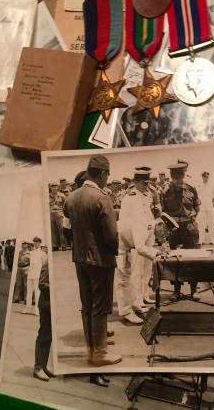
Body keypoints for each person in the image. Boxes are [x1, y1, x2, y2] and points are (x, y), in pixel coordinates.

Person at [63, 155, 121, 367]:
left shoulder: (70, 198)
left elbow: (68, 228)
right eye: (107, 175)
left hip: (79, 259)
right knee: (100, 306)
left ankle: (91, 348)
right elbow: (111, 235)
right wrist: (114, 252)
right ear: (103, 174)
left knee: (87, 305)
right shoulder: (101, 197)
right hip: (100, 261)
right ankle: (100, 353)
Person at [116, 167, 159, 324]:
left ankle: (137, 301)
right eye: (142, 183)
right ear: (135, 182)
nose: (146, 186)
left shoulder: (147, 195)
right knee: (125, 277)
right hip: (126, 241)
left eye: (147, 182)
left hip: (140, 237)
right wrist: (155, 253)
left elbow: (147, 217)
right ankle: (126, 311)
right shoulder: (130, 198)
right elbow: (126, 223)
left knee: (142, 271)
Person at [162, 162, 201, 301]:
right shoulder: (166, 191)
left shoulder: (191, 188)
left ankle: (194, 289)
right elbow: (163, 210)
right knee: (174, 260)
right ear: (171, 176)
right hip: (174, 228)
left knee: (193, 259)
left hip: (189, 227)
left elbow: (197, 205)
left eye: (180, 175)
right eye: (174, 176)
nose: (177, 179)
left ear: (184, 175)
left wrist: (191, 217)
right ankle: (176, 290)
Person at [33, 256, 54, 381]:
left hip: (52, 305)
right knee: (44, 335)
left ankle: (43, 366)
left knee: (49, 336)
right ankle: (38, 368)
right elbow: (41, 284)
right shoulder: (48, 262)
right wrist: (55, 288)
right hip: (46, 305)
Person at [23, 237, 44, 316]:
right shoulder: (31, 253)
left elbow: (44, 266)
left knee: (37, 293)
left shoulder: (42, 253)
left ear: (39, 243)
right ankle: (28, 308)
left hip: (38, 275)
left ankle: (37, 310)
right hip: (30, 275)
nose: (35, 243)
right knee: (29, 292)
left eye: (37, 242)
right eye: (34, 242)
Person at [196, 172, 214, 245]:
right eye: (205, 177)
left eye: (207, 177)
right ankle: (201, 240)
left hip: (210, 207)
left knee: (211, 224)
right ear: (202, 177)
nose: (206, 178)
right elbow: (196, 197)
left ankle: (213, 240)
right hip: (201, 208)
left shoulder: (211, 185)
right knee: (201, 225)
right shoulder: (199, 185)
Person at [49, 183, 66, 251]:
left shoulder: (61, 195)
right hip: (51, 213)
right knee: (53, 230)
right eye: (52, 187)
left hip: (59, 212)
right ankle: (54, 245)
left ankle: (63, 245)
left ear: (57, 187)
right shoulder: (48, 195)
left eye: (55, 187)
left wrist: (64, 213)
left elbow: (65, 203)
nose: (54, 188)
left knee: (61, 230)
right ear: (51, 188)